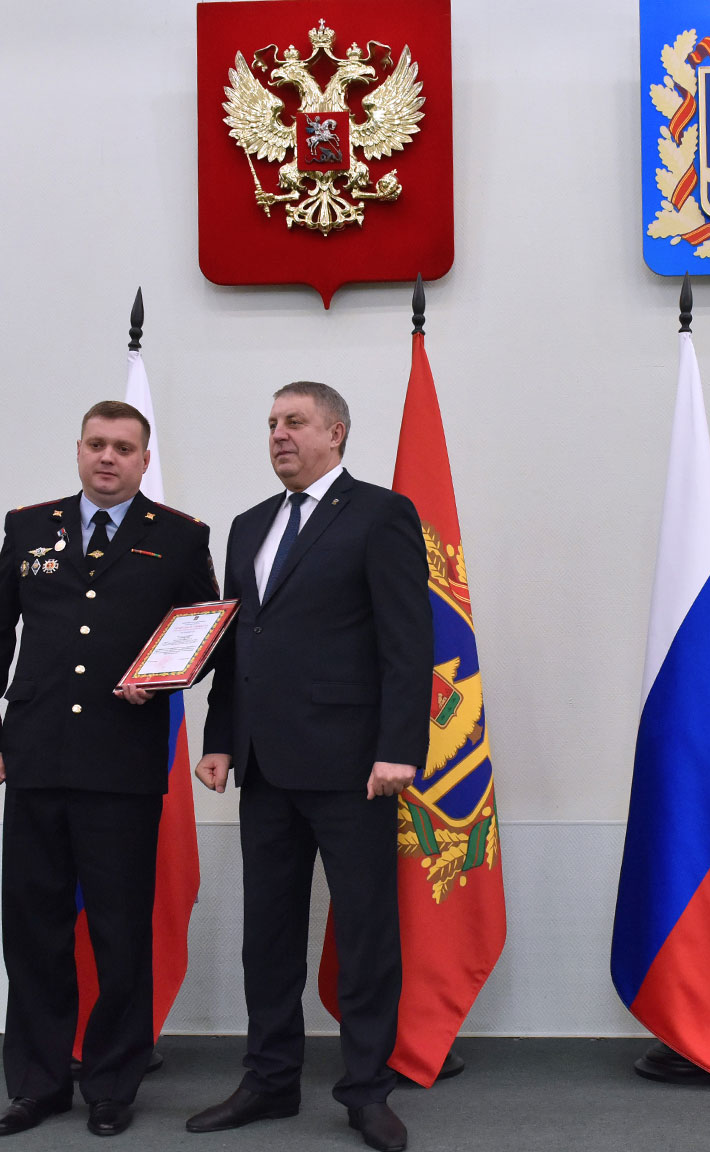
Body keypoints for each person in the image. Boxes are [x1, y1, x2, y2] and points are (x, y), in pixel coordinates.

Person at [0, 400, 219, 1138]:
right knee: (33, 928)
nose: (109, 457)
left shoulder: (178, 537)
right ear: (78, 451)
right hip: (36, 756)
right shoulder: (28, 528)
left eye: (124, 448)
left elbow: (206, 634)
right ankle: (37, 1085)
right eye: (97, 444)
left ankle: (112, 1083)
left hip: (122, 762)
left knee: (119, 932)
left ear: (144, 460)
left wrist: (163, 682)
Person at [184, 382, 430, 1152]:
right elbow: (237, 646)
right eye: (271, 424)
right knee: (268, 934)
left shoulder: (381, 514)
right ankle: (270, 1080)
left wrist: (399, 748)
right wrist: (220, 738)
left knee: (364, 934)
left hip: (355, 767)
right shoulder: (249, 524)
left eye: (294, 422)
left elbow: (406, 642)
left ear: (336, 432)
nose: (279, 435)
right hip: (264, 767)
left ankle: (366, 1091)